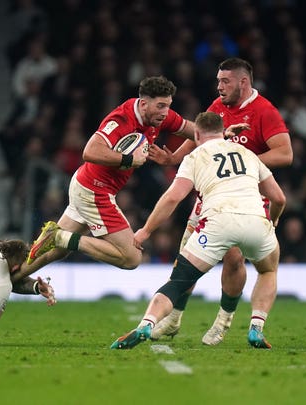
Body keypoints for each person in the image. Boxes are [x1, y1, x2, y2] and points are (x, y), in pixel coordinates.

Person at [110, 111, 286, 350]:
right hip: (256, 220)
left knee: (179, 281)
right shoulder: (249, 154)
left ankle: (146, 324)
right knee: (267, 271)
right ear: (223, 132)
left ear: (196, 134)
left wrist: (146, 231)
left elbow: (173, 198)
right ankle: (256, 328)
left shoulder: (195, 156)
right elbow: (278, 198)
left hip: (217, 222)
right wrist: (272, 223)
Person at [148, 57, 292, 345]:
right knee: (186, 257)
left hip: (247, 196)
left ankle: (222, 323)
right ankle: (173, 319)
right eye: (218, 80)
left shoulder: (264, 111)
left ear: (243, 82)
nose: (219, 86)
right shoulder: (218, 106)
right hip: (211, 197)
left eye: (225, 81)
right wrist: (175, 158)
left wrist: (245, 165)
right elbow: (202, 135)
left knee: (234, 257)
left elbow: (285, 153)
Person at [11, 75, 197, 282]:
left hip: (87, 185)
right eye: (161, 106)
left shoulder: (160, 116)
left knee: (57, 251)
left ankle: (13, 278)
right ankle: (59, 236)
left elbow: (198, 132)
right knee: (131, 257)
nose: (165, 112)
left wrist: (175, 157)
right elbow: (89, 151)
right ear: (144, 103)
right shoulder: (121, 119)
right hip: (94, 190)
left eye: (168, 106)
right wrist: (128, 159)